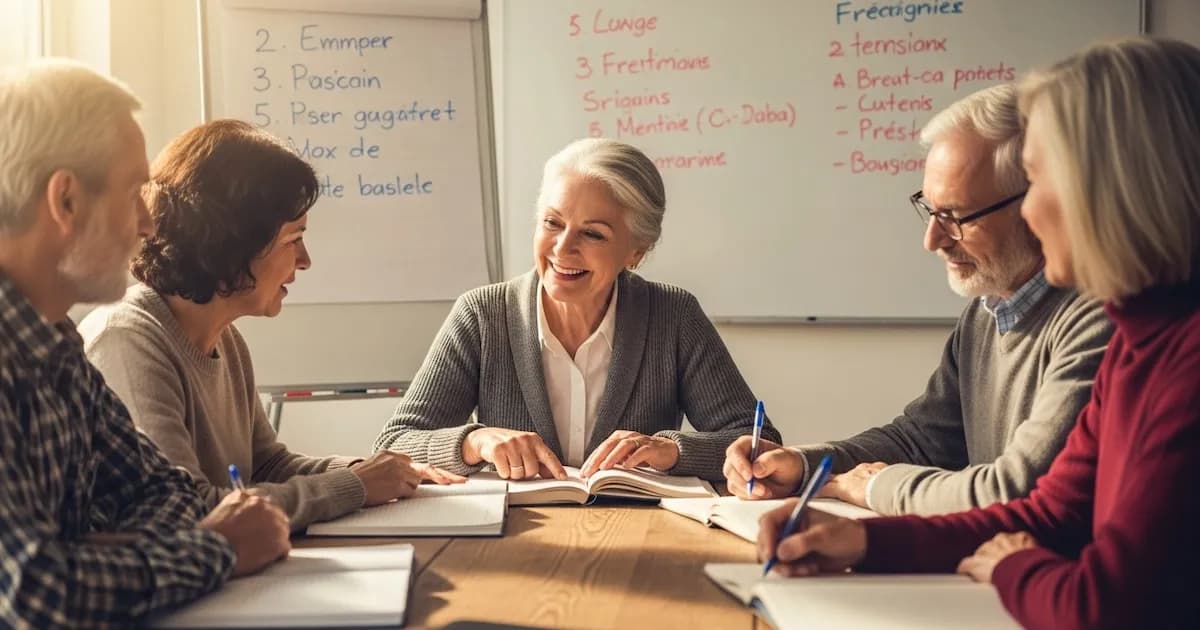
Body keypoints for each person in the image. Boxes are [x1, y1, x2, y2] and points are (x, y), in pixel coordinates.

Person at [758, 37, 1200, 629]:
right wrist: (862, 544)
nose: (1035, 216)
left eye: (1041, 182)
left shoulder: (1178, 357)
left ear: (1113, 192)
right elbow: (1049, 512)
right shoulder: (1136, 342)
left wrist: (1011, 567)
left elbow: (1103, 605)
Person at [724, 84, 1112, 515]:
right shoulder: (985, 312)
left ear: (1036, 201)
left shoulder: (1099, 317)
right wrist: (803, 465)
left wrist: (871, 487)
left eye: (956, 216)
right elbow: (922, 441)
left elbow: (1019, 488)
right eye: (930, 210)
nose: (933, 240)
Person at [0, 60, 290, 627]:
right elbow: (32, 595)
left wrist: (87, 553)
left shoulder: (56, 347)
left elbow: (170, 490)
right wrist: (220, 551)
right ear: (66, 202)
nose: (148, 223)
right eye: (135, 192)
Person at [79, 119, 463, 531]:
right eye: (293, 238)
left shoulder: (227, 339)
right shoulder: (127, 340)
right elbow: (190, 510)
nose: (305, 260)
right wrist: (355, 484)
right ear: (234, 242)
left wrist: (371, 471)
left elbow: (267, 464)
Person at [375, 138, 779, 482]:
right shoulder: (482, 314)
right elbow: (394, 445)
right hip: (516, 540)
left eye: (592, 234)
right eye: (552, 223)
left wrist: (672, 450)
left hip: (639, 536)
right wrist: (474, 441)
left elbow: (760, 445)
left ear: (635, 252)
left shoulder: (673, 315)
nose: (562, 248)